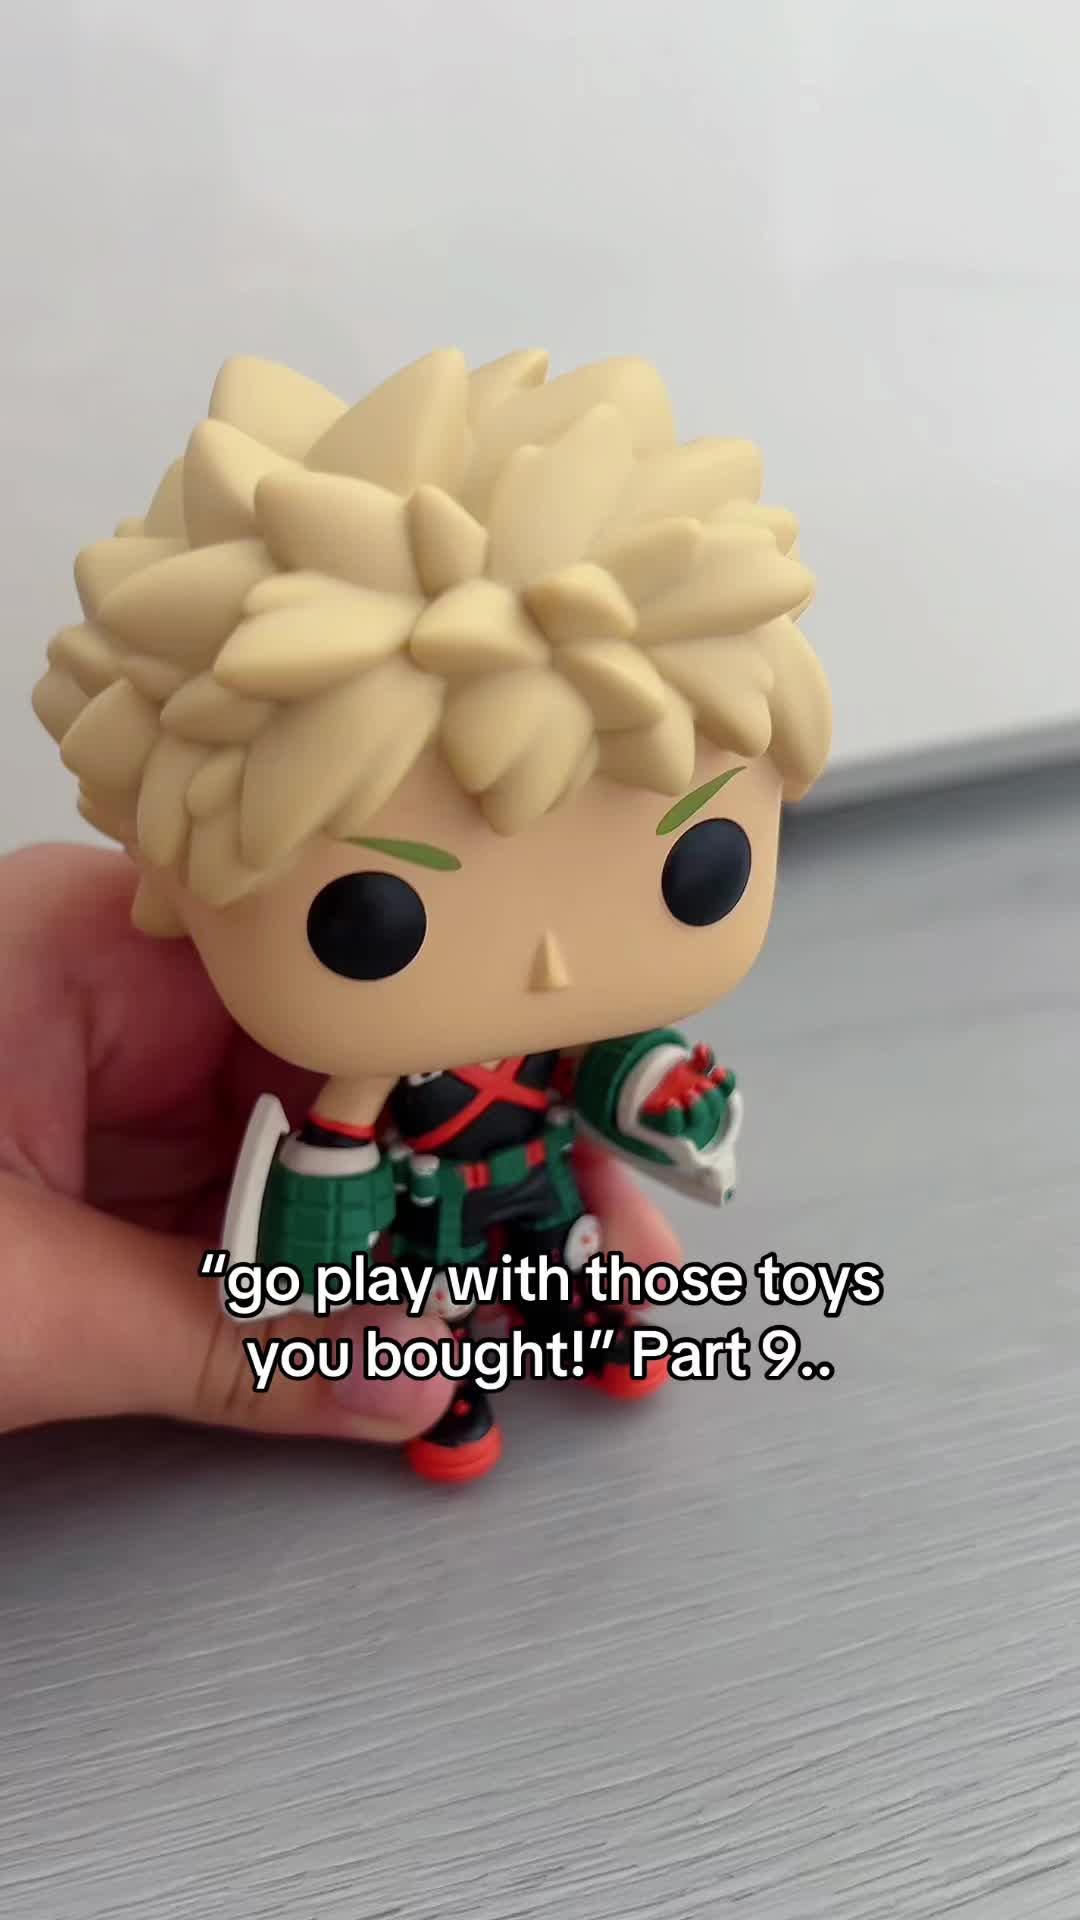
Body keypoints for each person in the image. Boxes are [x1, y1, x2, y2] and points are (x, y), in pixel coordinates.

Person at [0, 842, 682, 1445]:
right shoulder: (389, 1051)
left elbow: (604, 1069)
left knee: (561, 1252)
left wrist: (662, 1090)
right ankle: (449, 1375)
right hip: (440, 1197)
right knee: (440, 1294)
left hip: (541, 1171)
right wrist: (317, 1236)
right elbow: (338, 1135)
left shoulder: (555, 1024)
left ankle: (570, 1319)